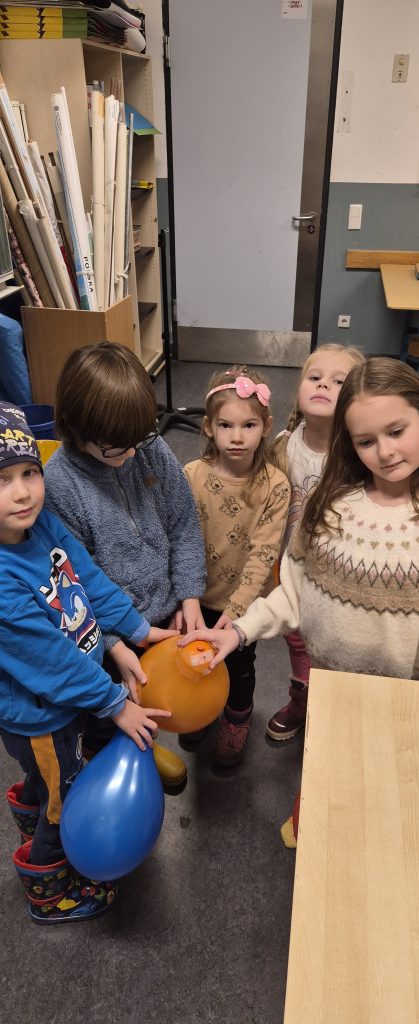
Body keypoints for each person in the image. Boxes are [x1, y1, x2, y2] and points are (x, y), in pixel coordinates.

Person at [179, 356, 419, 832]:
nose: (385, 452)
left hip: (399, 702)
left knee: (386, 793)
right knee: (327, 772)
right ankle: (314, 827)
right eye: (366, 441)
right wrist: (239, 632)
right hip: (330, 689)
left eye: (397, 431)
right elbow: (293, 593)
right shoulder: (329, 510)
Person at [0, 403, 175, 923]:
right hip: (42, 716)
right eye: (3, 480)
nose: (25, 490)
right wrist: (115, 703)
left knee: (50, 782)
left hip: (72, 696)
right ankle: (49, 889)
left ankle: (30, 805)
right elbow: (51, 658)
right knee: (66, 799)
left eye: (30, 471)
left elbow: (92, 583)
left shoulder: (45, 528)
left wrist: (138, 630)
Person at [44, 342, 207, 785]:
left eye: (141, 439)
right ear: (77, 428)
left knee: (155, 703)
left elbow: (182, 521)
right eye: (118, 447)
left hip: (163, 617)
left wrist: (189, 593)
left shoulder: (145, 448)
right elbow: (74, 585)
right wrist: (113, 641)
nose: (133, 455)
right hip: (108, 636)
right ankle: (119, 761)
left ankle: (146, 748)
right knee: (111, 714)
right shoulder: (59, 484)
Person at [183, 366, 290, 766]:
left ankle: (236, 722)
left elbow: (264, 553)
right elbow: (181, 539)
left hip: (242, 609)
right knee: (196, 663)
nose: (237, 436)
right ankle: (201, 711)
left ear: (266, 426)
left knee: (240, 670)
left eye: (248, 425)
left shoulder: (275, 484)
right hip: (196, 599)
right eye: (226, 425)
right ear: (209, 428)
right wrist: (185, 596)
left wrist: (237, 611)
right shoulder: (192, 476)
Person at [265, 343, 365, 741]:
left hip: (336, 571)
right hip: (291, 565)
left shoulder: (357, 454)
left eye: (339, 381)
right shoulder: (283, 444)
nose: (324, 384)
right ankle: (302, 700)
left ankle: (336, 706)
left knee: (336, 641)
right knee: (297, 639)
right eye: (315, 376)